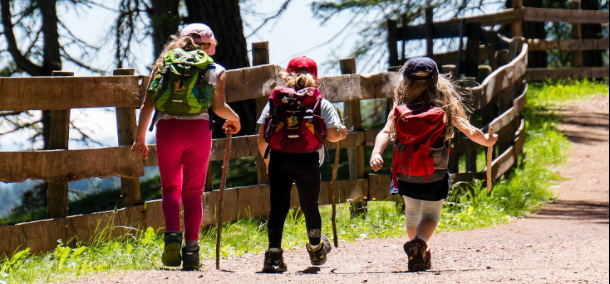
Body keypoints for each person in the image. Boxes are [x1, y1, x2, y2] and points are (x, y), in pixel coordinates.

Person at [369, 57, 498, 272]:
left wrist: (376, 152)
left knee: (412, 212)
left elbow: (385, 132)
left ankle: (418, 247)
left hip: (406, 171)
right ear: (437, 82)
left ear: (405, 83)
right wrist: (486, 141)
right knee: (430, 214)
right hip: (434, 172)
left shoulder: (400, 110)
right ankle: (419, 244)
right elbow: (469, 130)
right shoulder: (444, 107)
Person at [131, 23, 241, 271]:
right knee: (193, 193)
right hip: (198, 131)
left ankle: (171, 236)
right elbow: (218, 108)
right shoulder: (216, 69)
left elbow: (148, 105)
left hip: (167, 130)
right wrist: (235, 119)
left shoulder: (162, 65)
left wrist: (139, 139)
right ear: (209, 44)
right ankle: (191, 250)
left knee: (171, 188)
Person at [257, 56, 347, 273]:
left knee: (278, 206)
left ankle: (273, 254)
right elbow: (333, 135)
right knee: (310, 205)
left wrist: (267, 161)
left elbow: (262, 137)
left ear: (287, 75)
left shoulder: (276, 101)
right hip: (308, 159)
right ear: (315, 77)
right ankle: (316, 248)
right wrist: (342, 133)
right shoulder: (319, 102)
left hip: (279, 157)